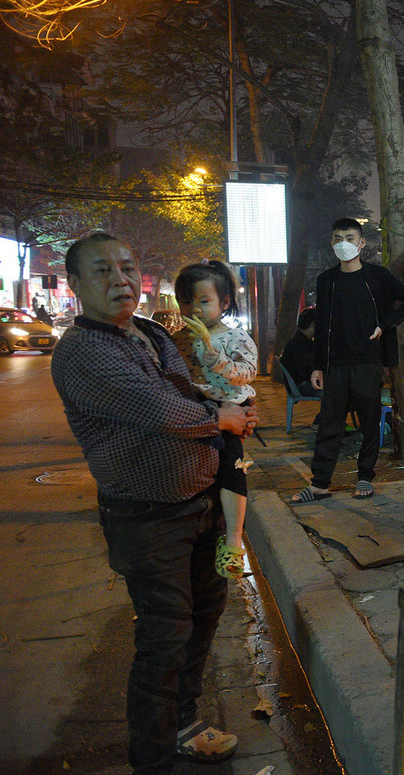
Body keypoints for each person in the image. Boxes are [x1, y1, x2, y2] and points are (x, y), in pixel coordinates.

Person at [50, 231, 256, 774]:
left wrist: (223, 405)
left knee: (205, 614)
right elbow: (160, 410)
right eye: (102, 271)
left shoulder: (148, 332)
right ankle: (154, 758)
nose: (120, 280)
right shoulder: (82, 351)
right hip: (146, 515)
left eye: (126, 267)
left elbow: (184, 392)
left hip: (201, 501)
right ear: (74, 284)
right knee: (164, 637)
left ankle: (185, 722)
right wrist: (219, 418)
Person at [290, 217, 404, 503]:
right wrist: (317, 365)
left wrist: (385, 325)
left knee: (369, 421)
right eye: (338, 238)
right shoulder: (327, 281)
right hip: (335, 364)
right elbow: (322, 324)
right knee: (329, 423)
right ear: (331, 243)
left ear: (361, 243)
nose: (343, 244)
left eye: (349, 238)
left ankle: (365, 475)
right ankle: (319, 484)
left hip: (368, 361)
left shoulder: (377, 276)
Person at [171, 261, 257, 579]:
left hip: (230, 409)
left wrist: (215, 357)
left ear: (224, 303)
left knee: (231, 470)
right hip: (196, 413)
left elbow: (247, 373)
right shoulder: (175, 340)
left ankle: (233, 541)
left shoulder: (236, 337)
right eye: (186, 301)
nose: (194, 309)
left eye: (204, 301)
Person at [279, 307, 319, 396]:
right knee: (336, 389)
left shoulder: (299, 340)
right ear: (313, 325)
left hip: (299, 384)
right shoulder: (299, 344)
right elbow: (306, 372)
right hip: (301, 386)